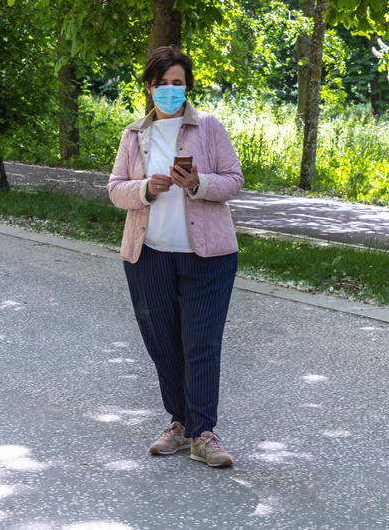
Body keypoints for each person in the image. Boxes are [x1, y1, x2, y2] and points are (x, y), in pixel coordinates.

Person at [107, 45, 243, 468]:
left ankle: (203, 433)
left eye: (177, 83)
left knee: (200, 343)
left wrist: (199, 183)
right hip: (148, 256)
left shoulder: (209, 128)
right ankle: (179, 425)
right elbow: (114, 189)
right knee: (163, 344)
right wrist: (145, 188)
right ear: (148, 88)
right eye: (162, 84)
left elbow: (234, 180)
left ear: (187, 87)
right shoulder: (133, 135)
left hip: (208, 257)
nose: (170, 90)